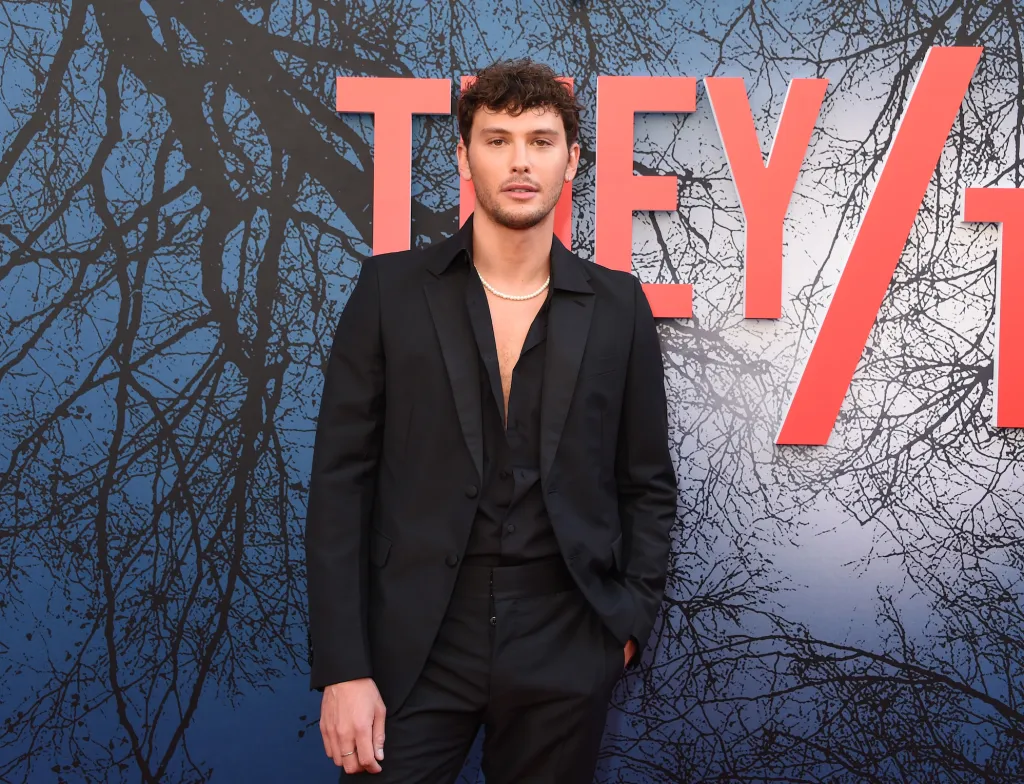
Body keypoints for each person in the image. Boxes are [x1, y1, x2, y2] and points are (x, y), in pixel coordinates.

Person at [305, 58, 677, 783]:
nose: (518, 161)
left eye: (540, 141)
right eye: (497, 139)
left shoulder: (619, 306)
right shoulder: (390, 292)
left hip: (565, 639)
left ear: (572, 161)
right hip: (411, 642)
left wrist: (622, 627)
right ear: (464, 156)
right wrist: (343, 667)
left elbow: (647, 483)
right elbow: (339, 486)